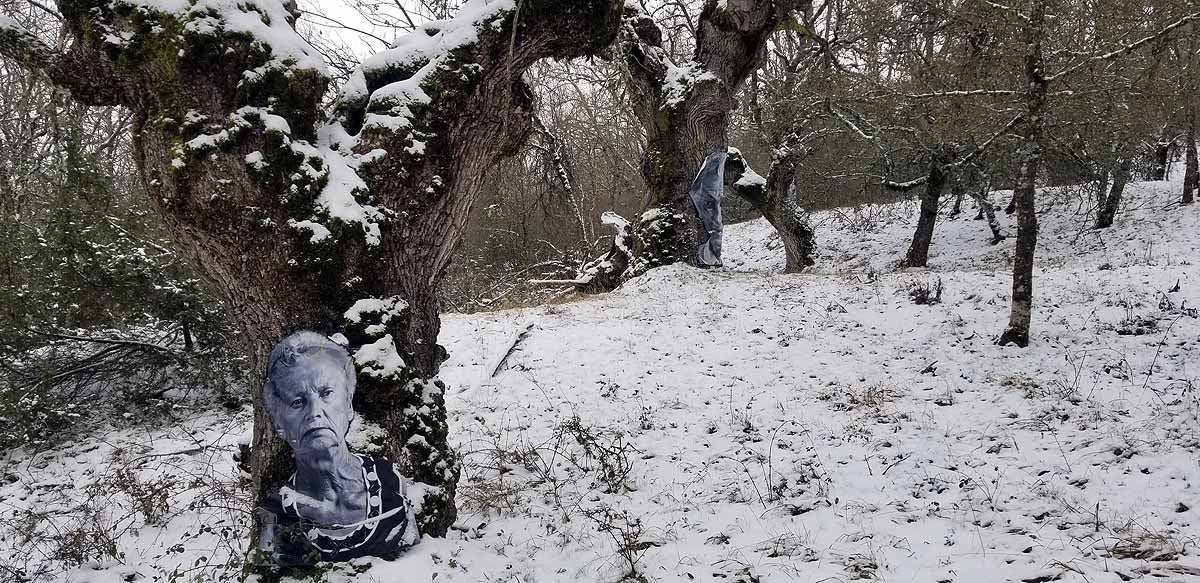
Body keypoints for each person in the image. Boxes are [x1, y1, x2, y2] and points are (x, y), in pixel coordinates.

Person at [256, 331, 418, 566]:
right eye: (298, 402)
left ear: (349, 405)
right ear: (279, 423)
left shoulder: (388, 481)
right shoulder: (278, 515)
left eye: (326, 393)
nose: (315, 413)